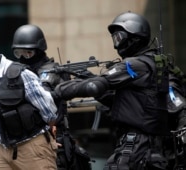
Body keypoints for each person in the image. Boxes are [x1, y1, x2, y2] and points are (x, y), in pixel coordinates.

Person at [53, 12, 170, 170]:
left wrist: (56, 91)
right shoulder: (149, 63)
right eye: (114, 38)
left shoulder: (134, 65)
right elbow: (123, 101)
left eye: (119, 37)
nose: (116, 44)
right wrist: (89, 77)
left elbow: (94, 86)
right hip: (148, 145)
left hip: (136, 145)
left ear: (134, 37)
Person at [0, 34, 58, 170]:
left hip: (32, 148)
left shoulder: (20, 74)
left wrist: (48, 134)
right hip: (4, 150)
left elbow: (48, 110)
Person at [11, 24, 92, 170]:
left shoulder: (52, 72)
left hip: (55, 140)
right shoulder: (20, 74)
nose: (23, 58)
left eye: (28, 53)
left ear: (39, 50)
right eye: (19, 53)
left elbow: (47, 101)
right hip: (29, 143)